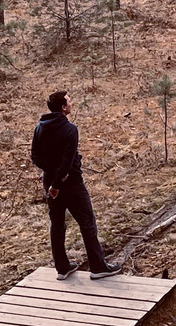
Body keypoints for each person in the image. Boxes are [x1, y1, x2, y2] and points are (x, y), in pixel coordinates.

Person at [29, 89, 118, 280]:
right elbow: (68, 161)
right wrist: (57, 183)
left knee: (57, 224)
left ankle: (62, 268)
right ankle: (98, 266)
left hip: (50, 183)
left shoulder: (40, 127)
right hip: (71, 184)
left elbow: (35, 157)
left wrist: (51, 177)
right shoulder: (70, 129)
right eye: (69, 101)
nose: (71, 104)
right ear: (63, 108)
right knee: (87, 223)